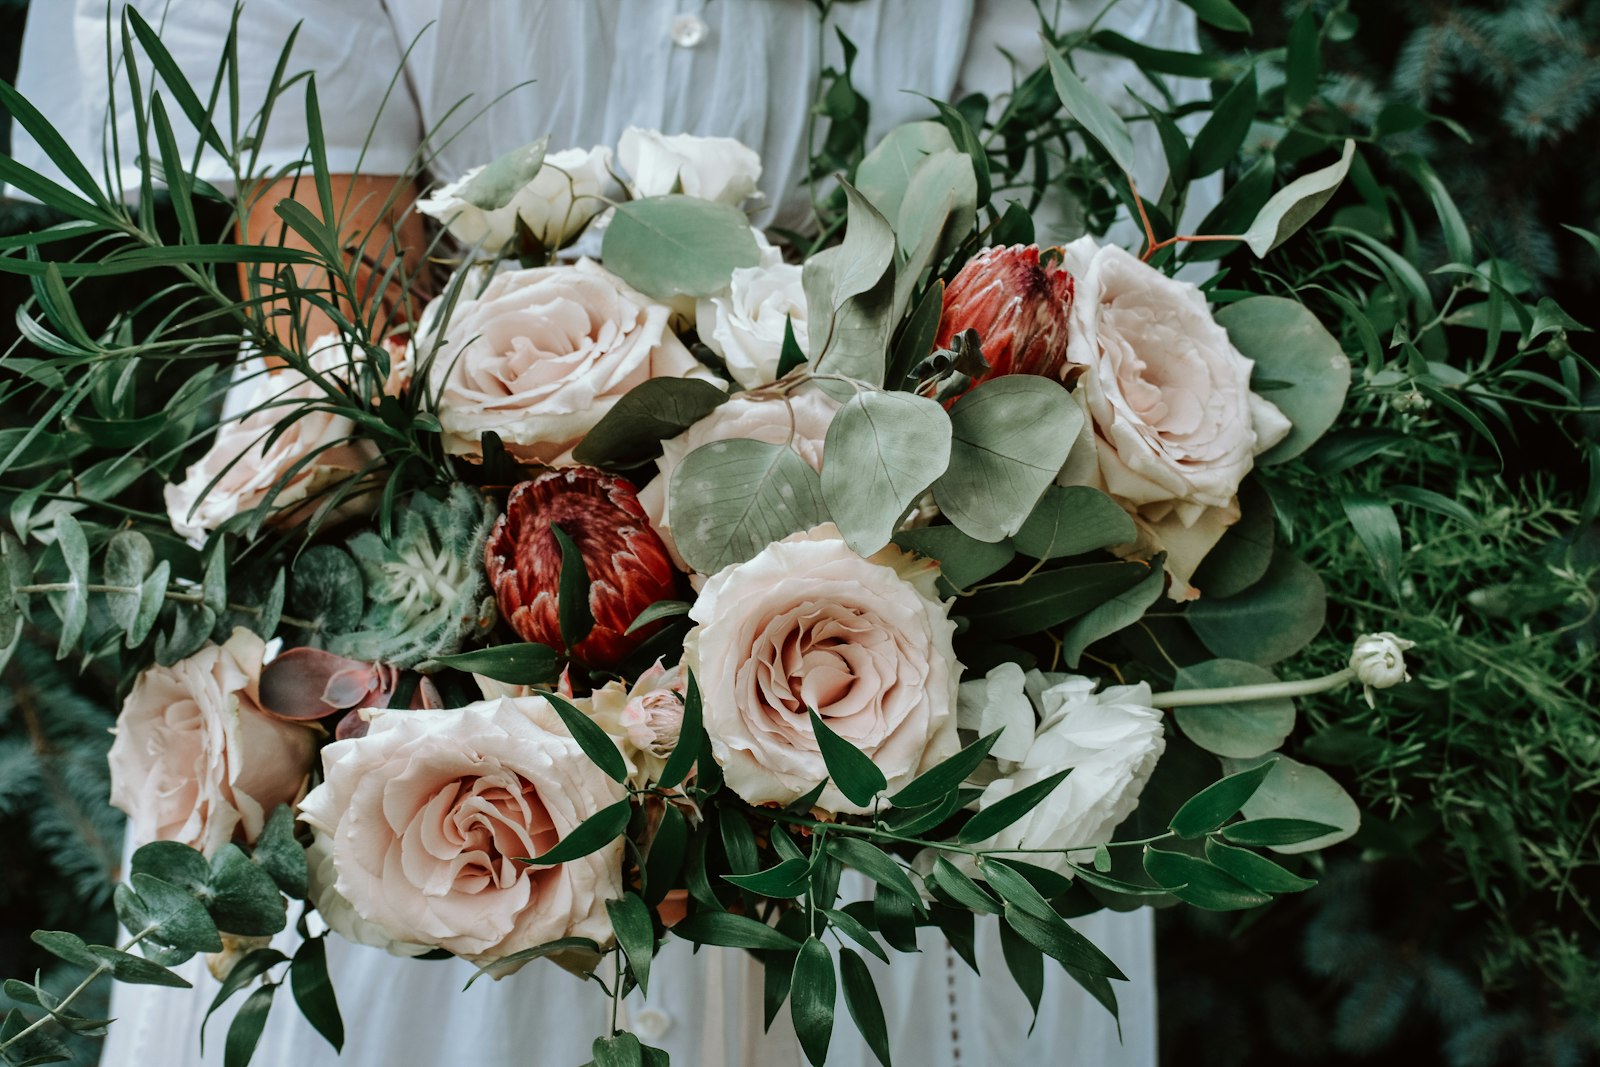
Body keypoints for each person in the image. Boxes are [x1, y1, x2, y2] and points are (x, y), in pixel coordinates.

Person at [12, 2, 1215, 1063]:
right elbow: (333, 299)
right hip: (418, 552)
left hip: (916, 555)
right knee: (447, 904)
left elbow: (1055, 281)